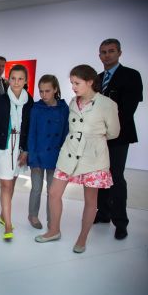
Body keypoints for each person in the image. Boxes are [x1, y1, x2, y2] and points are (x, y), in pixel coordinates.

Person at [35, 64, 120, 254]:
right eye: (72, 82)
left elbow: (114, 133)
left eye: (77, 83)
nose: (73, 87)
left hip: (93, 159)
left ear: (90, 82)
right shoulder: (73, 102)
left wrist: (94, 139)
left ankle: (82, 238)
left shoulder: (107, 104)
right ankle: (54, 230)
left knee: (90, 201)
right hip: (69, 154)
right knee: (54, 192)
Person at [94, 38, 143, 240]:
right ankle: (103, 213)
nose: (107, 55)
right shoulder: (96, 79)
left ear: (119, 53)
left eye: (111, 51)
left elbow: (127, 109)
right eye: (103, 52)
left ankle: (120, 222)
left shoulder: (131, 75)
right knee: (99, 176)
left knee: (115, 177)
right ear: (99, 55)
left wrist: (107, 128)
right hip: (97, 137)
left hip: (119, 136)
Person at [0, 64, 33, 240]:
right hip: (2, 148)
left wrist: (26, 150)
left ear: (26, 81)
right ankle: (7, 224)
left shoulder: (30, 102)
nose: (16, 82)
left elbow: (30, 128)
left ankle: (2, 214)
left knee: (11, 184)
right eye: (13, 78)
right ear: (8, 79)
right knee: (5, 185)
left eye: (20, 78)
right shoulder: (0, 101)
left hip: (19, 149)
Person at [27, 75, 69, 229]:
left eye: (47, 91)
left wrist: (63, 157)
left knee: (53, 192)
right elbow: (32, 134)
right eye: (41, 91)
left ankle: (52, 220)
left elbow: (66, 133)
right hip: (38, 155)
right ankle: (32, 215)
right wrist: (32, 157)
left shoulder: (64, 109)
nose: (44, 95)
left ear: (55, 89)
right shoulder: (36, 108)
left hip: (55, 157)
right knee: (36, 189)